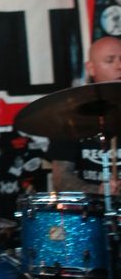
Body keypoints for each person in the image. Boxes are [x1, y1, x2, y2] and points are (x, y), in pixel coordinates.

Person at [50, 35, 121, 194]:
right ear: (91, 68)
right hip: (91, 206)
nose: (119, 66)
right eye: (110, 60)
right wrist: (97, 192)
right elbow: (61, 178)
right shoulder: (71, 115)